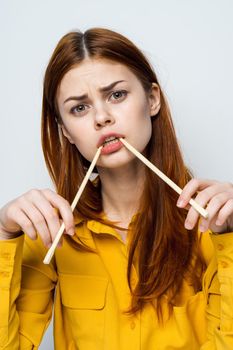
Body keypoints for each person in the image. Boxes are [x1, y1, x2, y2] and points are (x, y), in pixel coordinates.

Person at [0, 27, 233, 350]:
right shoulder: (51, 235)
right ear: (66, 132)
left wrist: (231, 241)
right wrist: (3, 235)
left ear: (152, 99)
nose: (102, 117)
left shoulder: (210, 226)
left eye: (116, 95)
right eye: (79, 108)